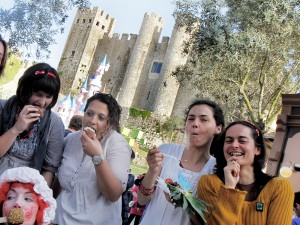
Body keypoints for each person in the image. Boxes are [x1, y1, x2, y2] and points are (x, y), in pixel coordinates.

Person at [138, 99, 225, 225]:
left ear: (218, 128)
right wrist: (152, 170)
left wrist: (183, 202)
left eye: (203, 119)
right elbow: (141, 200)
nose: (195, 123)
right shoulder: (166, 152)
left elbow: (208, 221)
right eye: (191, 119)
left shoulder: (216, 170)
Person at [53, 93, 131, 225]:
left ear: (110, 124)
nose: (92, 120)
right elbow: (59, 183)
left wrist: (97, 157)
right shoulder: (70, 140)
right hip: (59, 219)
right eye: (89, 113)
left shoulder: (118, 145)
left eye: (101, 117)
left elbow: (113, 194)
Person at [197, 120, 294, 225]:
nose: (234, 145)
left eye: (242, 141)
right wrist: (229, 188)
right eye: (229, 141)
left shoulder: (279, 187)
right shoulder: (209, 183)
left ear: (258, 149)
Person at [0, 63, 64, 186]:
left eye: (48, 97)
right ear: (25, 89)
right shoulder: (3, 108)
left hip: (28, 187)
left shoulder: (54, 123)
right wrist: (16, 129)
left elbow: (49, 169)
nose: (42, 102)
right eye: (38, 94)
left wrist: (38, 195)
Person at [122, 150, 135, 225]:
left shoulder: (128, 173)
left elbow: (129, 183)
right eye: (130, 160)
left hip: (123, 202)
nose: (130, 163)